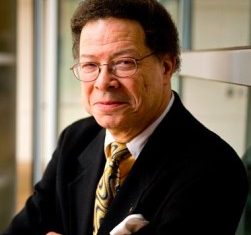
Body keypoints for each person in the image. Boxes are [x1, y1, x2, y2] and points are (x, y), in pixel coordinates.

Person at [2, 0, 248, 235]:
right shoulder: (76, 139)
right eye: (89, 65)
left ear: (166, 67)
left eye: (123, 63)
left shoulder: (213, 169)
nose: (103, 82)